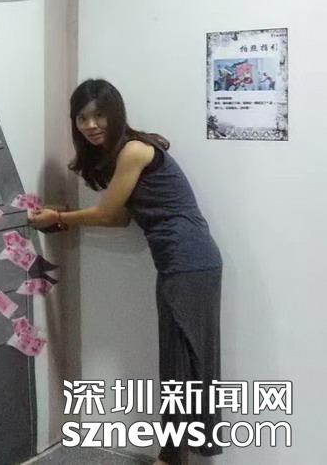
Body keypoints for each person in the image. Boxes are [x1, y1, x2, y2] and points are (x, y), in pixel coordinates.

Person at [31, 80, 223, 465]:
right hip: (183, 261)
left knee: (182, 363)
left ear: (115, 114)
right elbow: (119, 219)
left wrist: (59, 218)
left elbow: (107, 214)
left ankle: (172, 457)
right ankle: (176, 455)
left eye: (99, 115)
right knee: (181, 361)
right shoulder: (122, 154)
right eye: (82, 117)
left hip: (188, 261)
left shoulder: (134, 150)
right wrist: (63, 218)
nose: (91, 125)